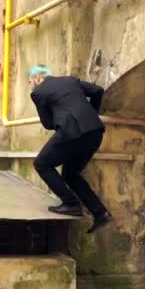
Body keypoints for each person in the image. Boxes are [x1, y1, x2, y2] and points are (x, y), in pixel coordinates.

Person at [29, 65, 112, 233]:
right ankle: (100, 213)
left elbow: (48, 124)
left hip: (71, 133)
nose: (30, 84)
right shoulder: (70, 80)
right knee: (71, 174)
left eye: (30, 80)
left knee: (42, 164)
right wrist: (91, 114)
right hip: (94, 132)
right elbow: (98, 91)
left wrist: (56, 114)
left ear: (37, 77)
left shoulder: (38, 92)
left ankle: (71, 204)